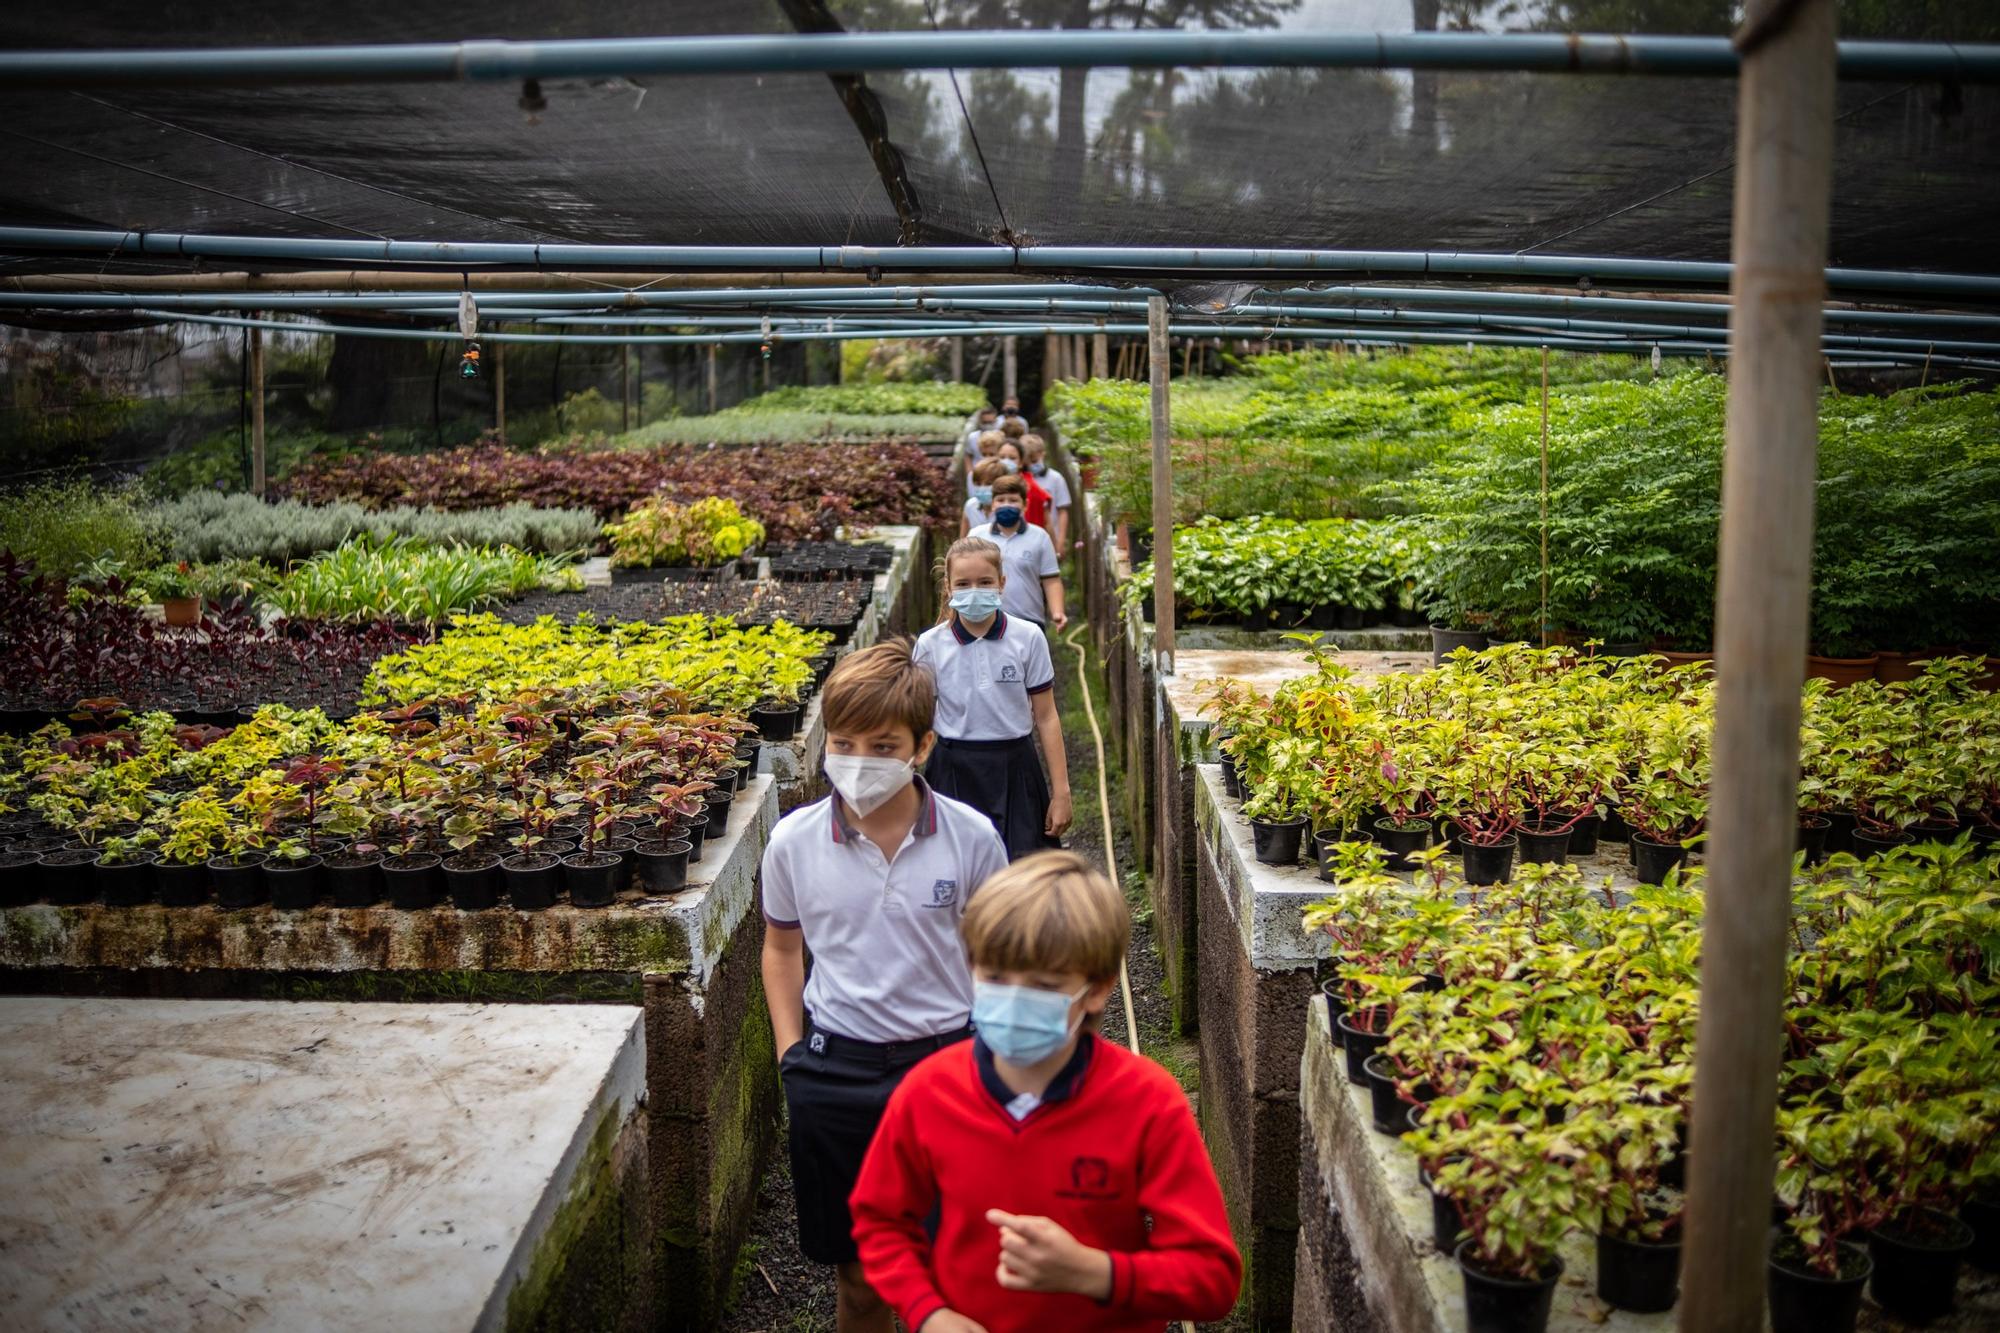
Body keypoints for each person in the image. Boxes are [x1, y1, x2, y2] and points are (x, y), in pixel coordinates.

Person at [851, 851, 1243, 1333]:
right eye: (995, 978)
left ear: (1097, 990)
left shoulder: (1147, 1103)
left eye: (1043, 985)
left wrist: (1092, 1272)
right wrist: (927, 1312)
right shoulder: (929, 1092)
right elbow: (879, 1220)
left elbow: (1213, 1278)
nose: (1014, 997)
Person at [761, 639, 1010, 1333]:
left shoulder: (972, 839)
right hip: (835, 1074)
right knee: (861, 1274)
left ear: (922, 746)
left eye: (882, 744)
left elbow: (998, 958)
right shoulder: (793, 842)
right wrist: (792, 1059)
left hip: (949, 1068)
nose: (859, 761)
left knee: (955, 1265)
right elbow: (781, 949)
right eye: (844, 742)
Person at [914, 536, 1071, 858]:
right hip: (952, 768)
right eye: (963, 583)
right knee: (954, 867)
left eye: (985, 582)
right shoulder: (930, 645)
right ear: (948, 587)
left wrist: (1061, 792)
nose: (974, 591)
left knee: (1024, 871)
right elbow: (917, 720)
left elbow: (1046, 716)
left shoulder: (1028, 637)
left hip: (1015, 767)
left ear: (1002, 583)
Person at [980, 474, 1065, 633]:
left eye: (1013, 500)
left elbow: (1051, 578)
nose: (1006, 505)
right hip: (985, 621)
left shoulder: (1039, 537)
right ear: (992, 504)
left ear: (1025, 505)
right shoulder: (977, 536)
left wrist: (1057, 612)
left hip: (1029, 621)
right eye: (1001, 500)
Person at [1021, 435, 1072, 553]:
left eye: (1034, 461)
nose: (1031, 466)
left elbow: (1062, 510)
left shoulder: (1055, 478)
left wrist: (1061, 540)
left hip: (1050, 536)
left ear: (1042, 454)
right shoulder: (1020, 480)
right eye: (1027, 463)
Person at [960, 457, 1009, 538]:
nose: (982, 488)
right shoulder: (970, 505)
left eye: (988, 483)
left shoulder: (1008, 509)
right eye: (978, 484)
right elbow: (963, 539)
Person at [967, 430, 1009, 498]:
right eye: (984, 454)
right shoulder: (974, 474)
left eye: (991, 454)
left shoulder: (1005, 471)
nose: (987, 458)